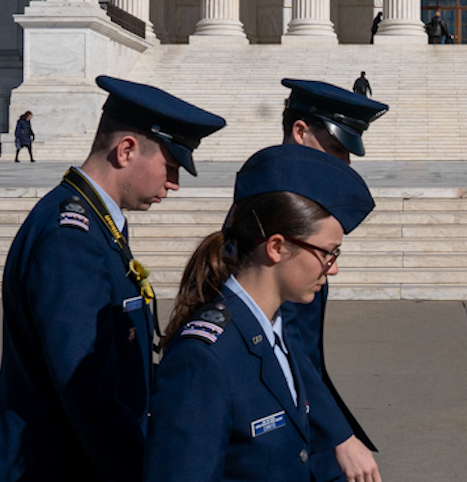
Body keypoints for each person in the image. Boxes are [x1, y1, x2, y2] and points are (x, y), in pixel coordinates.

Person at [0, 76, 226, 482]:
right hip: (52, 465)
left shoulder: (94, 224)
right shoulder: (71, 241)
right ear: (126, 151)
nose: (173, 183)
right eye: (170, 166)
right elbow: (87, 392)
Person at [149, 144, 375, 482]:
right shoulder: (204, 358)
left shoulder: (272, 329)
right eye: (328, 254)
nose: (334, 269)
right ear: (277, 247)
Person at [276, 79, 388, 482]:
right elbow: (280, 340)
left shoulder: (299, 208)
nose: (344, 164)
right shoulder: (275, 219)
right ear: (300, 132)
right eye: (338, 148)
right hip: (281, 412)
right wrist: (339, 435)